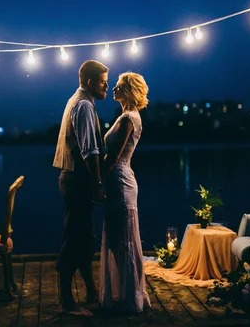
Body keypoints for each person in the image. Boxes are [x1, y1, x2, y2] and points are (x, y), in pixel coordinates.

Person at [53, 59, 109, 316]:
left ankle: (90, 291)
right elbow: (89, 151)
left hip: (72, 178)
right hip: (78, 180)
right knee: (75, 238)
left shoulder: (75, 100)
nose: (106, 86)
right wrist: (98, 184)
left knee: (83, 237)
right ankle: (66, 301)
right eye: (102, 81)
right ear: (90, 83)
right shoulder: (84, 106)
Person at [99, 72, 151, 313]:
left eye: (119, 86)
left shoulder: (129, 118)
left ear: (129, 91)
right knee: (119, 240)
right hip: (119, 179)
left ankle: (131, 298)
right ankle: (129, 292)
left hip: (120, 182)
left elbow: (114, 157)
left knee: (123, 241)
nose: (113, 89)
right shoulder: (126, 116)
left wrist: (97, 180)